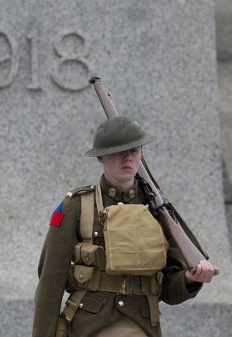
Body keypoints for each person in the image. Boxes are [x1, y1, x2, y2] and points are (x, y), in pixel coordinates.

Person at [32, 116, 216, 337]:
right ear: (101, 156)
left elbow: (169, 289)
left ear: (141, 154)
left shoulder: (158, 210)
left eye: (134, 151)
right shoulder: (76, 205)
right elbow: (50, 282)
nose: (127, 158)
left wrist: (190, 279)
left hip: (143, 326)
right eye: (118, 151)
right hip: (90, 327)